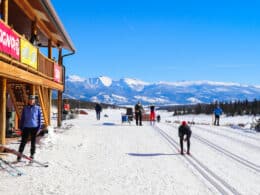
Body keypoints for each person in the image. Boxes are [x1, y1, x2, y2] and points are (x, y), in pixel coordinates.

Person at [17, 95, 41, 161]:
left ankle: (32, 154)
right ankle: (19, 155)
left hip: (34, 127)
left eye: (32, 99)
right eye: (30, 99)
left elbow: (39, 119)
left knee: (33, 142)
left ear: (34, 100)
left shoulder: (37, 108)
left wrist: (39, 128)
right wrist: (21, 128)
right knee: (23, 142)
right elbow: (22, 119)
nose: (31, 101)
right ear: (28, 100)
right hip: (26, 127)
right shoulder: (25, 108)